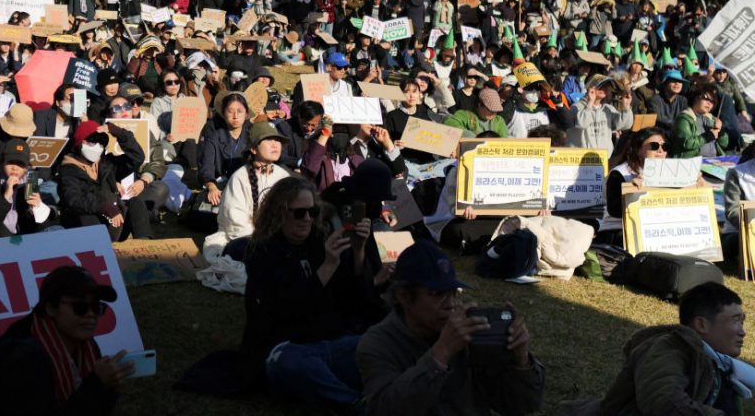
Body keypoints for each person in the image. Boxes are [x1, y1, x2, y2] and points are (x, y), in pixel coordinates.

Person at [358, 239, 544, 415]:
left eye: (453, 293)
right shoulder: (377, 344)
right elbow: (386, 409)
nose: (450, 304)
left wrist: (521, 361)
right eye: (437, 294)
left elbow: (520, 405)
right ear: (404, 297)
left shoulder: (469, 336)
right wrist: (441, 353)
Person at [242, 176, 371, 408]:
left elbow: (353, 300)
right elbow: (287, 310)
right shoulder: (262, 253)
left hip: (332, 340)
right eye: (299, 213)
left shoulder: (317, 243)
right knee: (289, 364)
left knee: (375, 344)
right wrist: (328, 266)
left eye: (312, 212)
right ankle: (356, 404)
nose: (307, 219)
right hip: (289, 345)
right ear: (279, 213)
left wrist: (359, 251)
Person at [0, 265, 133, 414]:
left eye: (96, 307)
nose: (91, 315)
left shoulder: (87, 346)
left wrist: (106, 387)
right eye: (80, 307)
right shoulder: (24, 359)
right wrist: (97, 384)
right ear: (51, 308)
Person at [581, 282, 745, 415]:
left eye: (742, 322)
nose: (742, 332)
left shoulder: (719, 363)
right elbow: (663, 400)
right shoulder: (668, 348)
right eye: (735, 320)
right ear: (702, 324)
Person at [58, 121, 151, 241]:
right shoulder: (68, 170)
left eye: (101, 143)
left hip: (114, 222)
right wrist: (104, 207)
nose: (97, 147)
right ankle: (99, 251)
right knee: (86, 215)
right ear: (80, 143)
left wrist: (119, 133)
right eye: (92, 142)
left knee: (135, 203)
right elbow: (74, 198)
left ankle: (144, 246)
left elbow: (136, 158)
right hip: (87, 229)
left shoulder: (107, 163)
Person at [216, 123, 293, 258]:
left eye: (277, 140)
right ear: (253, 149)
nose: (275, 145)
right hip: (247, 239)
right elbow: (235, 221)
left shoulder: (284, 176)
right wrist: (263, 242)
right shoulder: (239, 178)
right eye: (268, 140)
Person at [0, 138, 56, 237]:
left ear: (26, 168)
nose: (15, 167)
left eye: (20, 164)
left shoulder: (31, 181)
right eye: (10, 162)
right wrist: (6, 197)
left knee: (55, 229)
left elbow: (33, 226)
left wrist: (35, 209)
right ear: (2, 163)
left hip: (20, 239)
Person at [568, 74, 633, 152]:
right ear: (590, 87)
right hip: (583, 160)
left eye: (607, 86)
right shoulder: (576, 107)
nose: (604, 88)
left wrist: (626, 107)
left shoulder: (608, 109)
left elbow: (625, 125)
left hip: (604, 159)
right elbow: (582, 124)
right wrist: (590, 103)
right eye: (601, 85)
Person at [671, 85, 730, 158]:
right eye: (706, 98)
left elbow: (724, 145)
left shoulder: (712, 119)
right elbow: (686, 143)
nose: (709, 103)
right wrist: (707, 136)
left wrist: (720, 131)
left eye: (712, 101)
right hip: (693, 162)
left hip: (714, 160)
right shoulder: (684, 119)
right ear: (695, 97)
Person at [444, 88, 509, 138]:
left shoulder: (499, 121)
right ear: (479, 104)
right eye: (490, 109)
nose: (494, 113)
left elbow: (504, 141)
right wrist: (475, 138)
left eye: (496, 110)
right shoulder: (464, 115)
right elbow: (448, 124)